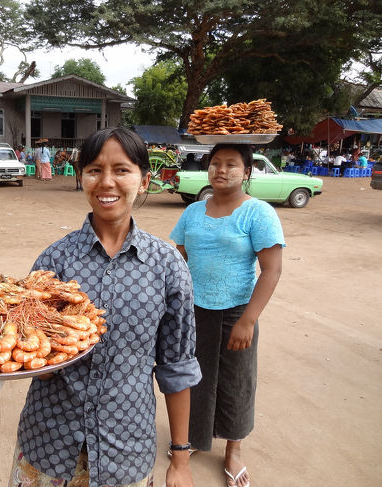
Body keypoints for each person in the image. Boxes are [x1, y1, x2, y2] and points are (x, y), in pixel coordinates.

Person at [9, 127, 201, 487]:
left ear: (144, 181)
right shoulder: (55, 261)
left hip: (126, 447)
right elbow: (30, 352)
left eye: (122, 170)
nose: (106, 182)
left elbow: (177, 366)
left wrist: (180, 457)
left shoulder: (167, 265)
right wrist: (37, 357)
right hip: (49, 442)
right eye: (94, 170)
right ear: (81, 178)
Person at [170, 143, 284, 487]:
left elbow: (272, 270)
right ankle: (194, 438)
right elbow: (179, 257)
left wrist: (248, 320)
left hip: (237, 311)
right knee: (195, 377)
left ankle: (234, 448)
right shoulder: (193, 211)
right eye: (215, 163)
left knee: (237, 381)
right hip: (194, 310)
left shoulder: (258, 213)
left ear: (246, 172)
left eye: (231, 164)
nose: (221, 170)